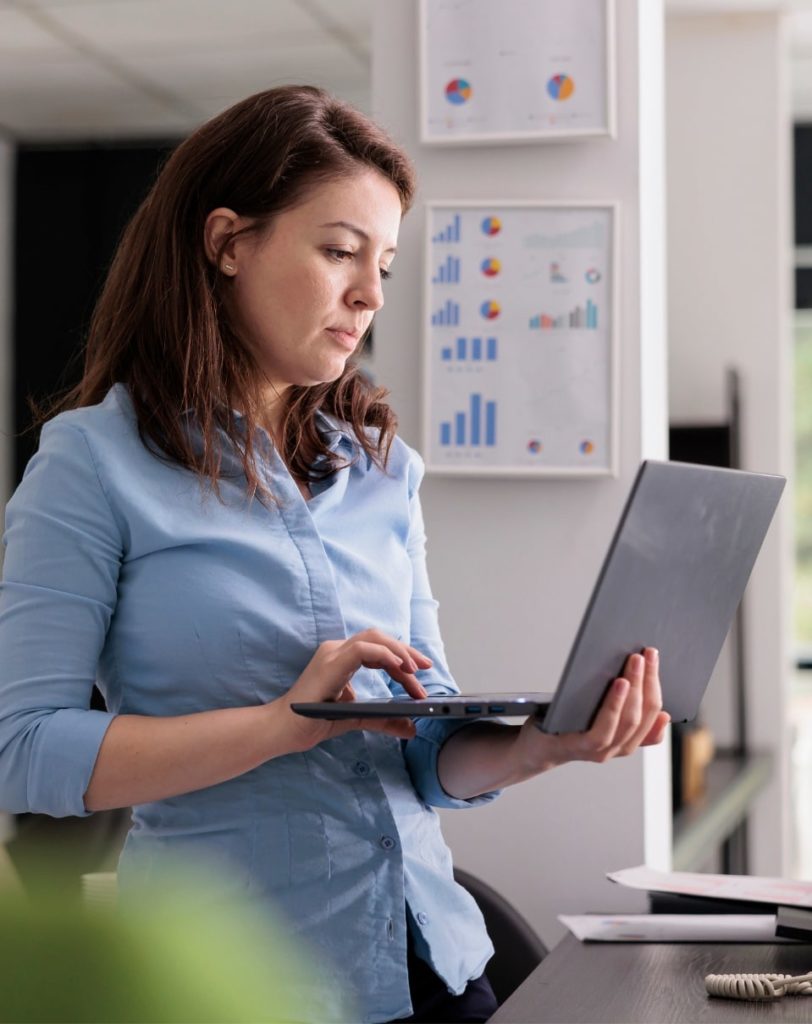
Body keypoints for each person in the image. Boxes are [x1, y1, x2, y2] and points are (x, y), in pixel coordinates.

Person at [0, 85, 670, 1024]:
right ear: (229, 242)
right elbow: (24, 751)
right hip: (240, 988)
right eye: (340, 251)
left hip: (435, 966)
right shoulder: (92, 463)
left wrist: (538, 747)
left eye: (384, 264)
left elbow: (425, 752)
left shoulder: (385, 472)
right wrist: (285, 722)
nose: (370, 293)